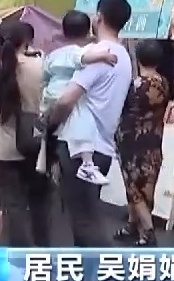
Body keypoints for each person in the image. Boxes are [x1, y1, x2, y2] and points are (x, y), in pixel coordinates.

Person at [43, 0, 134, 247]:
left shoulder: (99, 54)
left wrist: (50, 124)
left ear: (99, 17)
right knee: (87, 216)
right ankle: (90, 268)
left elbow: (66, 100)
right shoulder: (124, 56)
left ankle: (103, 268)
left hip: (80, 146)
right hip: (103, 147)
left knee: (84, 221)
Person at [0, 20, 51, 247]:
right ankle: (43, 252)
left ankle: (22, 255)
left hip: (4, 148)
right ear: (27, 41)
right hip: (36, 144)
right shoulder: (42, 67)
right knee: (40, 203)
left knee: (14, 205)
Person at [41, 11, 117, 185]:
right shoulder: (79, 52)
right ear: (88, 31)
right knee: (83, 122)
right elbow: (82, 58)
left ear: (63, 31)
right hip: (66, 95)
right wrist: (103, 55)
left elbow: (44, 77)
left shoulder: (54, 54)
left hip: (51, 94)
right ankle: (87, 163)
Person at [115, 39, 170, 246]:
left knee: (133, 185)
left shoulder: (134, 86)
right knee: (147, 183)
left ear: (138, 59)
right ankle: (132, 225)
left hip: (132, 140)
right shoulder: (163, 83)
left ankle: (147, 230)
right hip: (154, 138)